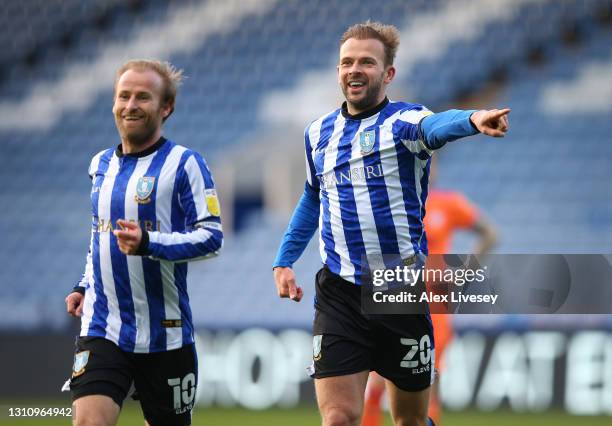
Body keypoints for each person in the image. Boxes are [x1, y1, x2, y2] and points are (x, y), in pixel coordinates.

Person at [272, 21, 509, 426]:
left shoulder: (404, 121)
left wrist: (472, 120)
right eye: (347, 62)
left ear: (388, 73)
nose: (355, 69)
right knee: (339, 418)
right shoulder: (318, 134)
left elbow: (434, 126)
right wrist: (284, 259)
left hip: (398, 290)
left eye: (367, 61)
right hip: (339, 292)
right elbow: (313, 196)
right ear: (338, 70)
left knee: (411, 421)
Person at [63, 59, 223, 426]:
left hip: (165, 333)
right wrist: (85, 284)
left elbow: (212, 238)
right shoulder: (100, 164)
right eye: (124, 96)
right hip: (103, 325)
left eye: (143, 97)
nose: (131, 105)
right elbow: (98, 235)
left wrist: (150, 242)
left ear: (165, 108)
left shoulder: (186, 165)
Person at [361, 157, 499, 426]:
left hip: (434, 307)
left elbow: (490, 234)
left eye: (430, 163)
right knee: (377, 378)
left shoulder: (448, 204)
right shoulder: (389, 204)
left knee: (430, 378)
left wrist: (463, 274)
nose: (426, 168)